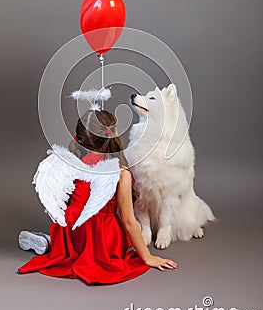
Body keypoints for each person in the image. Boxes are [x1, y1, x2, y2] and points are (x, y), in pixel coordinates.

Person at [17, 109, 178, 285]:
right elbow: (128, 222)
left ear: (79, 138)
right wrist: (148, 257)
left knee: (70, 228)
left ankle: (54, 243)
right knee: (137, 226)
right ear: (113, 135)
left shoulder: (70, 161)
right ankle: (53, 244)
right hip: (101, 241)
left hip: (71, 231)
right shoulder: (120, 173)